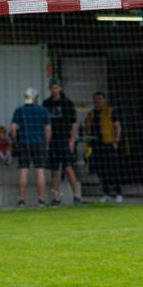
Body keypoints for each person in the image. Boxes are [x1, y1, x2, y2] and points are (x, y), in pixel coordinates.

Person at [43, 77, 82, 206]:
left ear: (60, 88)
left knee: (68, 168)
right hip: (52, 141)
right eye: (52, 88)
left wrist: (71, 140)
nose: (55, 90)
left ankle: (76, 195)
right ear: (49, 89)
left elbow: (74, 124)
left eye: (57, 88)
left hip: (63, 139)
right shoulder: (46, 104)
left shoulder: (67, 103)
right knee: (54, 170)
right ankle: (56, 197)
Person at [11, 87, 52, 207]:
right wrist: (47, 143)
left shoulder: (19, 110)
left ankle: (22, 200)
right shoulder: (43, 111)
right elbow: (48, 129)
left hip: (24, 143)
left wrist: (15, 141)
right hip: (39, 143)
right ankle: (41, 201)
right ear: (36, 98)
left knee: (23, 170)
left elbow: (13, 129)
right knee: (40, 171)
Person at [84, 91, 124, 203]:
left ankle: (119, 193)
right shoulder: (90, 114)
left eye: (100, 98)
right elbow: (86, 128)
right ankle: (106, 193)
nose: (98, 100)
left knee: (113, 169)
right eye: (96, 98)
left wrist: (116, 140)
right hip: (95, 146)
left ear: (104, 100)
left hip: (108, 144)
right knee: (101, 170)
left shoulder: (110, 111)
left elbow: (117, 126)